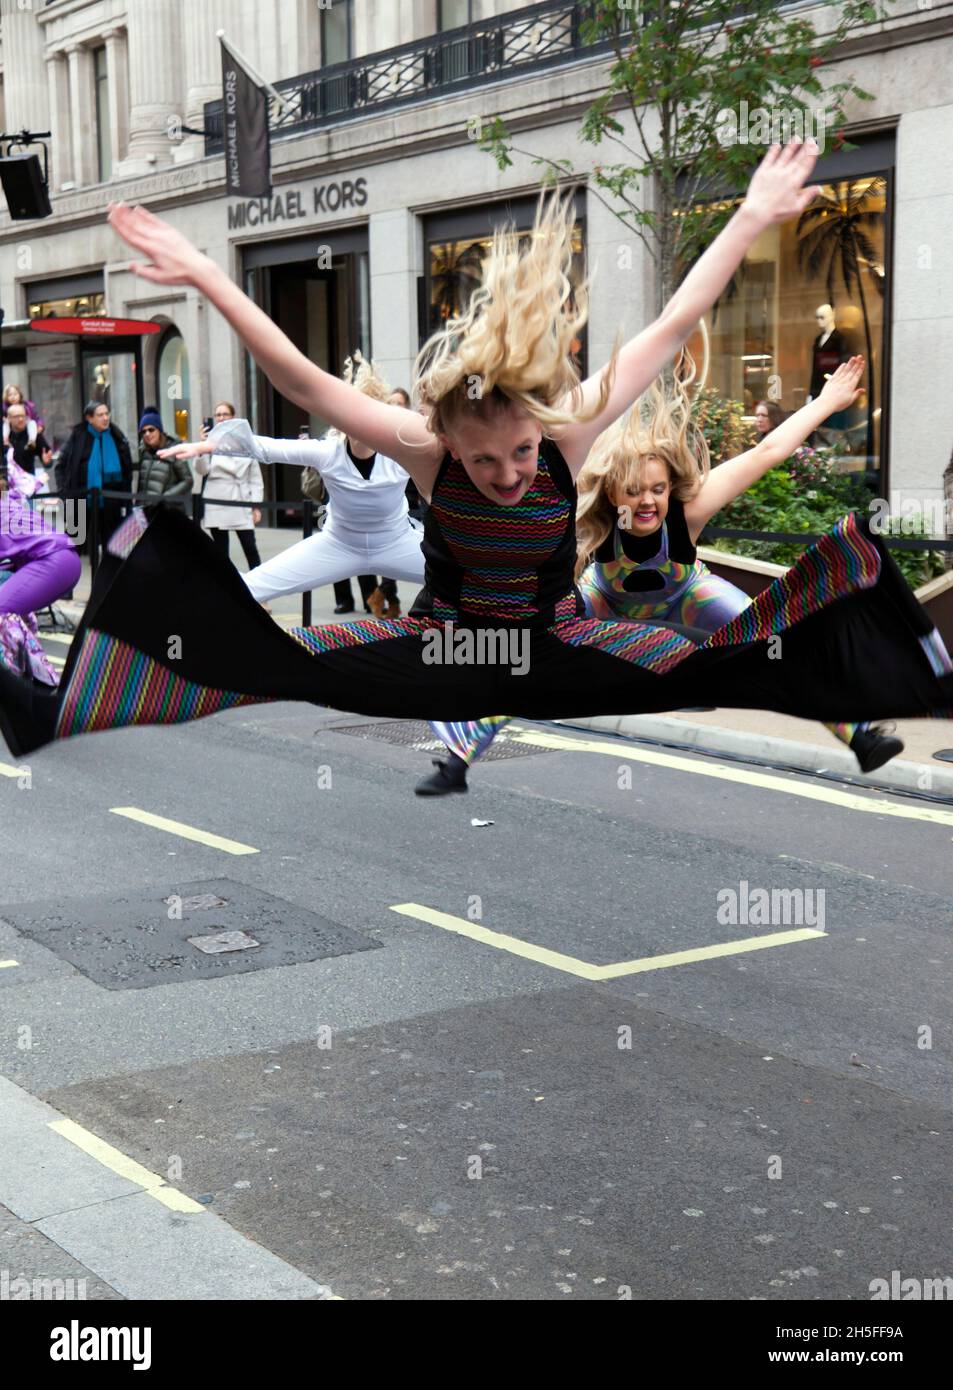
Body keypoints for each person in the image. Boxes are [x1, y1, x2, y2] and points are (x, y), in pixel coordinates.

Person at [2, 143, 952, 770]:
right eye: (488, 460)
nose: (507, 473)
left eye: (519, 454)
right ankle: (47, 711)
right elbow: (301, 382)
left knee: (717, 658)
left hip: (559, 644)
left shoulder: (566, 430)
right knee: (265, 657)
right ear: (447, 438)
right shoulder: (424, 449)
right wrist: (210, 272)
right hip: (444, 648)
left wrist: (747, 219)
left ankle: (919, 678)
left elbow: (666, 330)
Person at [421, 355, 903, 794]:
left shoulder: (687, 513)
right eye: (634, 490)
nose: (647, 501)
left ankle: (859, 736)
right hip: (607, 601)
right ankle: (458, 759)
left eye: (657, 488)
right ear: (611, 492)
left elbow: (766, 452)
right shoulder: (579, 522)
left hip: (689, 596)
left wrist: (825, 402)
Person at [160, 356, 426, 609]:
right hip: (339, 544)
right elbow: (267, 448)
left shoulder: (399, 454)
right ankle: (174, 612)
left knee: (463, 580)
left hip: (397, 542)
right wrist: (207, 446)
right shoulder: (328, 452)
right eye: (353, 417)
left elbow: (442, 444)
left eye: (367, 419)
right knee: (249, 586)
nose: (360, 427)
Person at [0, 451, 80, 685]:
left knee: (1, 610)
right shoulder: (8, 500)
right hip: (62, 560)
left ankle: (31, 686)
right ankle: (33, 683)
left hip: (52, 561)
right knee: (10, 604)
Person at [57, 401, 133, 558]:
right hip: (82, 497)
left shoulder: (116, 436)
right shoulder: (78, 437)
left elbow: (126, 466)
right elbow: (61, 465)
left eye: (107, 414)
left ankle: (109, 571)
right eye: (100, 415)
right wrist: (63, 491)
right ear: (89, 418)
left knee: (112, 543)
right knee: (76, 541)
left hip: (111, 498)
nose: (105, 418)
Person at [193, 401, 264, 570]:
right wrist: (202, 447)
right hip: (217, 501)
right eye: (218, 415)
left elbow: (255, 478)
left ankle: (261, 590)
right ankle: (227, 592)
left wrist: (255, 506)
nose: (221, 418)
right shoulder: (209, 442)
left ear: (233, 417)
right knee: (221, 553)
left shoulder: (245, 441)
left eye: (225, 414)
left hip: (241, 501)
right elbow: (201, 470)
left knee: (250, 548)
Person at [136, 407, 193, 503]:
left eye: (151, 429)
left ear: (159, 430)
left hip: (168, 510)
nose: (147, 434)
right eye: (143, 431)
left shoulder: (173, 449)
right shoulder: (143, 451)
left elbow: (187, 481)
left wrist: (165, 498)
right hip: (146, 510)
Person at [3, 403, 53, 477]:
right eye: (16, 416)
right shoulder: (4, 435)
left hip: (28, 482)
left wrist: (47, 462)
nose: (21, 419)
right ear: (9, 418)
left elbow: (48, 461)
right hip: (7, 482)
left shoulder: (34, 435)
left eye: (23, 415)